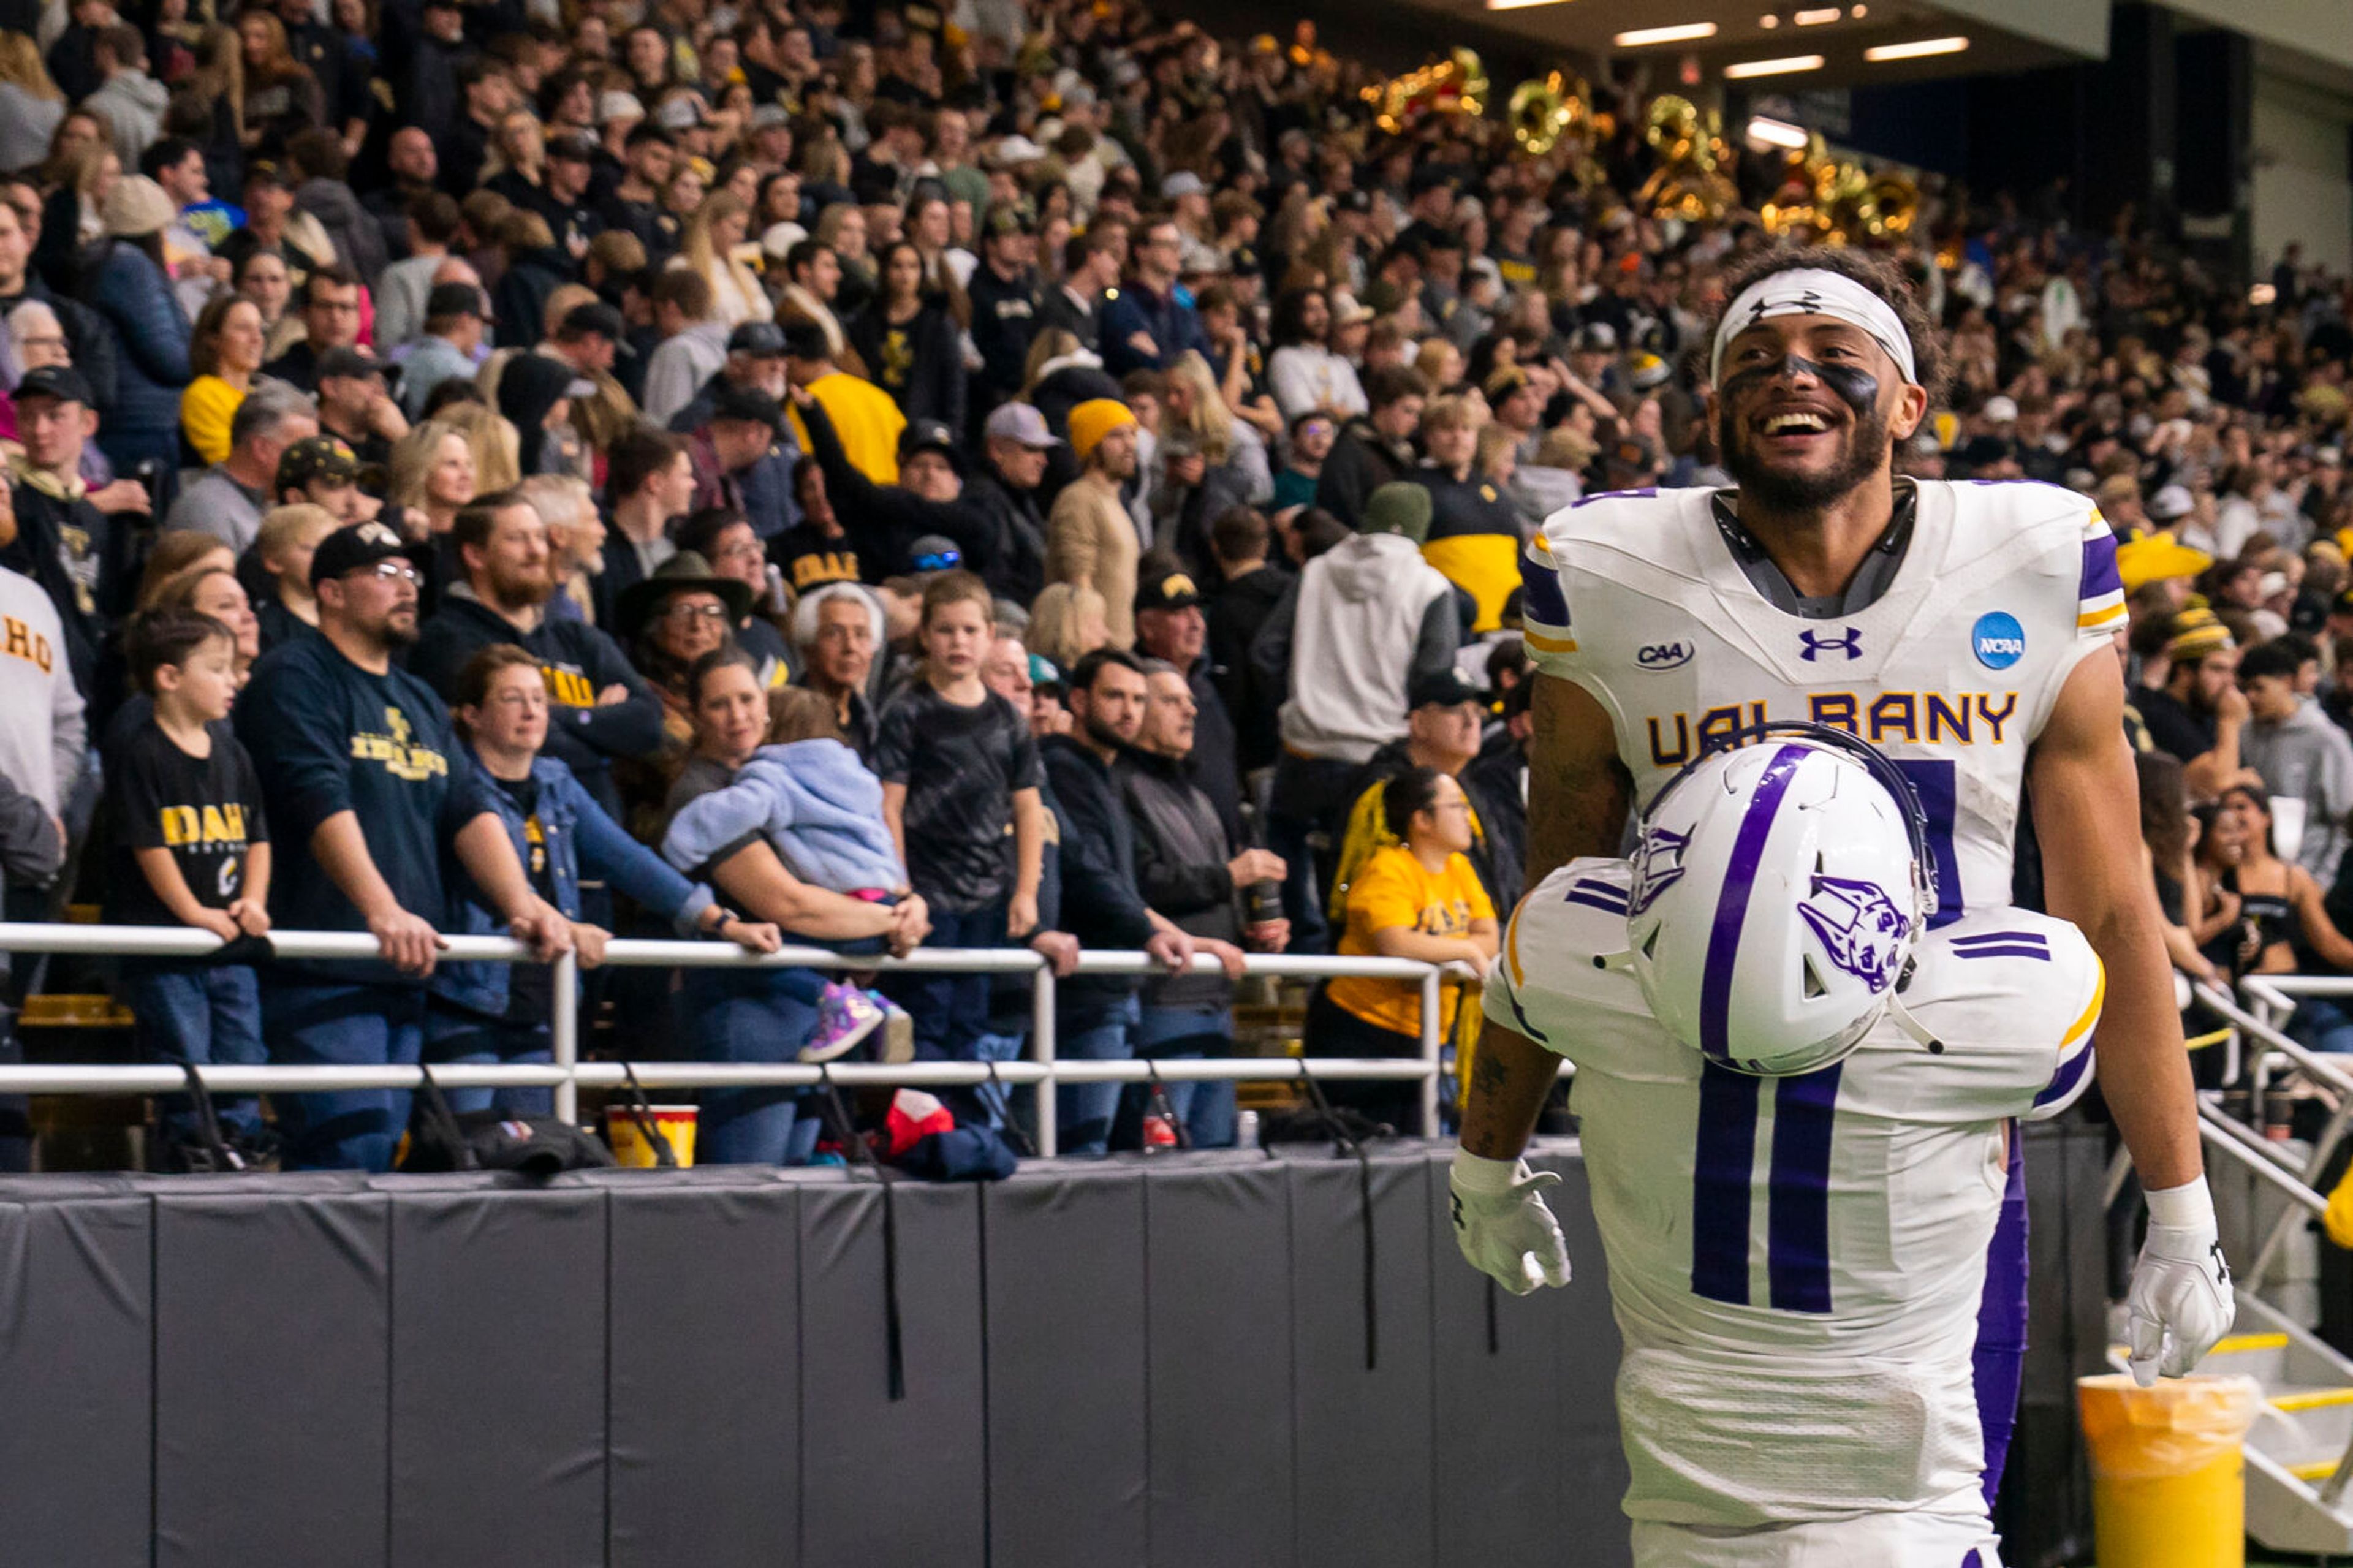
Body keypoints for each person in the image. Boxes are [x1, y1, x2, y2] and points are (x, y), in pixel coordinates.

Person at [1455, 250, 2227, 1556]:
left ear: (1910, 401)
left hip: (1933, 1123)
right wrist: (1491, 1151)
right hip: (1686, 1128)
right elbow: (1562, 895)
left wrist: (2183, 1195)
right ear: (1712, 414)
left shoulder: (2029, 559)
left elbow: (2110, 907)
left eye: (1830, 348)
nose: (1789, 372)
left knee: (1929, 1508)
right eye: (1751, 358)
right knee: (1707, 1513)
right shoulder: (1610, 567)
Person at [235, 521, 572, 1170]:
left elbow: (468, 808)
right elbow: (315, 795)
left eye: (412, 575)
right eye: (384, 574)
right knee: (346, 1152)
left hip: (410, 971)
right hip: (326, 964)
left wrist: (522, 902)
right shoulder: (295, 674)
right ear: (330, 592)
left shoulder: (416, 695)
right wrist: (379, 907)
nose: (407, 588)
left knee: (394, 1154)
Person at [434, 644, 781, 1115]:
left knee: (535, 1154)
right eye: (513, 698)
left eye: (539, 698)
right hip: (467, 996)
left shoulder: (556, 780)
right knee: (466, 1152)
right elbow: (500, 888)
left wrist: (720, 922)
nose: (533, 710)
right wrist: (568, 929)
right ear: (472, 715)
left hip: (542, 998)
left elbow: (629, 861)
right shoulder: (455, 785)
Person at [658, 647, 928, 1163]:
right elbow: (788, 904)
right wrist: (894, 919)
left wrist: (909, 901)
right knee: (751, 1196)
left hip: (813, 1014)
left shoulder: (786, 778)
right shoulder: (704, 793)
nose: (736, 715)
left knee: (803, 1192)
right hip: (745, 1009)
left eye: (746, 699)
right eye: (718, 705)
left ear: (767, 705)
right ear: (696, 715)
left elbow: (851, 868)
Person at [1252, 482, 1460, 949]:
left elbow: (1266, 651)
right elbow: (1434, 678)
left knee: (1290, 859)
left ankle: (1299, 961)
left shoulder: (1317, 571)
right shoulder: (1430, 586)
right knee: (1364, 879)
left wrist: (1293, 705)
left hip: (1303, 750)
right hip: (1377, 759)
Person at [104, 608, 271, 1157]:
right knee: (183, 1048)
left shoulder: (233, 750)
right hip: (168, 948)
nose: (235, 680)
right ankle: (190, 1144)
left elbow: (257, 839)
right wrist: (195, 914)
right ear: (169, 677)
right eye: (219, 669)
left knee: (244, 1046)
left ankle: (239, 1137)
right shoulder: (143, 751)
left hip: (230, 943)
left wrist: (254, 900)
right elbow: (150, 846)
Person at [407, 489, 664, 817]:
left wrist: (569, 717)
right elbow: (507, 739)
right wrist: (604, 740)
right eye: (517, 539)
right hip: (511, 828)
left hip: (601, 833)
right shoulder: (446, 640)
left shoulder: (576, 636)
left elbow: (648, 723)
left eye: (540, 537)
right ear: (475, 555)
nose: (537, 551)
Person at [874, 570, 1045, 1059]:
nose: (959, 642)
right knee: (926, 1025)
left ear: (991, 636)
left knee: (972, 1029)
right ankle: (928, 1133)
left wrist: (1026, 890)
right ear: (925, 635)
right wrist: (901, 888)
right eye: (946, 629)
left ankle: (961, 1135)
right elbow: (890, 803)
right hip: (927, 894)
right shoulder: (907, 711)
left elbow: (1028, 805)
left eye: (970, 630)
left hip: (988, 895)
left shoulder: (1009, 719)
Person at [1039, 648, 1195, 1153]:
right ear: (1079, 700)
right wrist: (1149, 928)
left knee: (1106, 1154)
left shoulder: (1104, 774)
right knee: (1080, 1157)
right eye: (1114, 696)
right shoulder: (1062, 766)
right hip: (1086, 995)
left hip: (1112, 990)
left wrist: (1162, 927)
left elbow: (1113, 880)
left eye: (1137, 699)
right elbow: (1086, 872)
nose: (1129, 711)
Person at [1119, 659, 1279, 1148]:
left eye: (1190, 700)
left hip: (1215, 999)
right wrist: (1230, 875)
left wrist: (1249, 923)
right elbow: (1144, 883)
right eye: (1171, 700)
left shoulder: (1196, 794)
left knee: (1216, 1159)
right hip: (1164, 999)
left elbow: (1204, 883)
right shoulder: (1122, 785)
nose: (1190, 710)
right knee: (1162, 1156)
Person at [1305, 764, 1494, 1129]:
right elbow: (1396, 941)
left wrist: (1464, 948)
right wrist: (1466, 950)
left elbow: (1490, 937)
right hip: (1361, 1031)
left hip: (1426, 1031)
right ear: (1422, 820)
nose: (1468, 816)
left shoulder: (1459, 868)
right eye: (1457, 806)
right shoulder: (1387, 868)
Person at [83, 174, 192, 491]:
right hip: (141, 428)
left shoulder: (103, 260)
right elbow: (172, 359)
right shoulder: (131, 267)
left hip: (127, 422)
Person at [2238, 635, 2353, 882]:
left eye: (2259, 688)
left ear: (2287, 683)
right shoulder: (2246, 732)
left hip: (2310, 874)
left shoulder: (2326, 739)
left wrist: (2321, 882)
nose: (2251, 697)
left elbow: (2343, 822)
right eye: (2245, 689)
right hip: (2256, 873)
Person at [164, 382, 319, 550]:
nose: (311, 465)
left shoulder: (272, 504)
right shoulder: (207, 511)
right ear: (262, 449)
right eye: (301, 452)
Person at [1047, 398, 1142, 648]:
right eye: (1117, 436)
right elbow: (1079, 585)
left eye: (1132, 434)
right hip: (1093, 652)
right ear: (1092, 445)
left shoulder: (1114, 501)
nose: (1130, 444)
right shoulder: (1079, 499)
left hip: (1118, 647)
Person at [2136, 607, 2254, 801]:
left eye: (2231, 671)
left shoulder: (2208, 712)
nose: (2229, 682)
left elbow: (2252, 782)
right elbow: (2217, 786)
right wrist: (2230, 722)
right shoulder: (2158, 713)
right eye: (2217, 669)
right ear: (2185, 672)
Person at [781, 317, 905, 486]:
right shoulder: (879, 397)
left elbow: (802, 469)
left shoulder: (805, 403)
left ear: (791, 360)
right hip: (891, 504)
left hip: (843, 506)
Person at [792, 581, 882, 759]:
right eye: (834, 633)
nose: (850, 647)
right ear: (807, 648)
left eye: (861, 634)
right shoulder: (789, 720)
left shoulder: (868, 720)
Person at [180, 292, 268, 466]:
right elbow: (231, 465)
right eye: (243, 328)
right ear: (213, 340)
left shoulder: (259, 393)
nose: (257, 338)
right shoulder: (204, 393)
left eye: (260, 329)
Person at [251, 502, 338, 651]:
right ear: (274, 561)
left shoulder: (350, 618)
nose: (331, 558)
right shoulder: (268, 631)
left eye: (336, 549)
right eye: (318, 550)